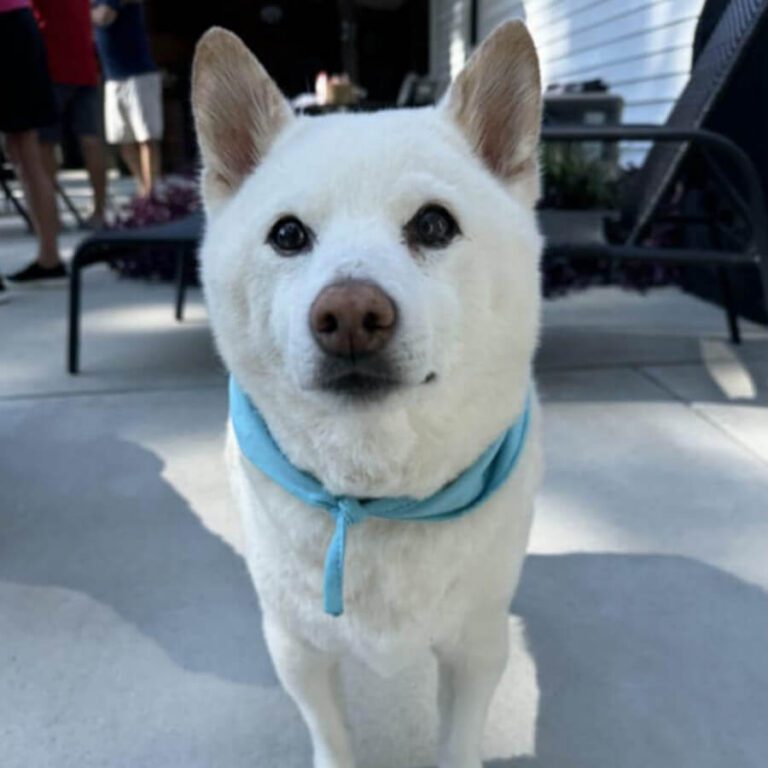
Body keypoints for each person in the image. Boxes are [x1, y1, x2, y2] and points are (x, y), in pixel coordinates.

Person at [0, 0, 66, 289]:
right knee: (25, 152)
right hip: (20, 22)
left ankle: (49, 257)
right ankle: (49, 258)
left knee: (24, 152)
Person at [33, 0, 108, 229]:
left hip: (52, 67)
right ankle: (99, 211)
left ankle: (52, 216)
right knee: (91, 141)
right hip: (84, 66)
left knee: (46, 144)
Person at [91, 0, 162, 198]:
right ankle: (143, 187)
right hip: (113, 76)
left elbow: (104, 16)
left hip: (139, 74)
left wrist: (77, 16)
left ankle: (151, 190)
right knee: (122, 139)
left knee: (146, 137)